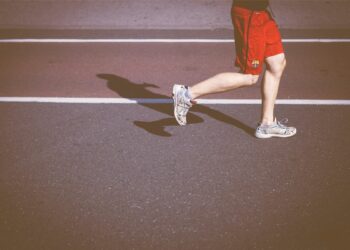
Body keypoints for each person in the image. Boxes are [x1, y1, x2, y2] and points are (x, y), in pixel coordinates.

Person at [172, 0, 297, 138]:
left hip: (262, 13)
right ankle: (187, 94)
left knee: (277, 63)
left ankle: (267, 124)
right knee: (250, 76)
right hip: (250, 13)